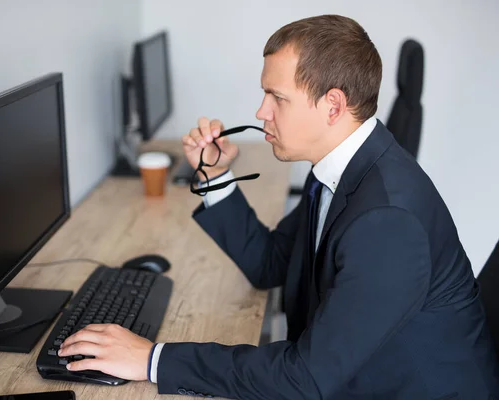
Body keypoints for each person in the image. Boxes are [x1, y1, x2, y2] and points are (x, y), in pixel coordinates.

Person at [57, 14, 499, 399]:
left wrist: (152, 360)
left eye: (277, 97)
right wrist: (215, 177)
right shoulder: (337, 168)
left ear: (333, 105)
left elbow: (305, 379)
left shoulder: (386, 221)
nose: (261, 110)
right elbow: (272, 264)